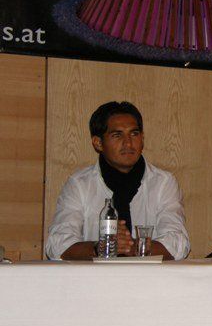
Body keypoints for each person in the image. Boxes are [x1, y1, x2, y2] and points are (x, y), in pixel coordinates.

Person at [45, 101, 190, 260]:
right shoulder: (80, 184)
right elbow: (57, 245)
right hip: (94, 276)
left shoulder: (163, 183)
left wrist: (133, 247)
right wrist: (101, 247)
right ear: (98, 143)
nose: (128, 143)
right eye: (117, 135)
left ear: (142, 139)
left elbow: (178, 243)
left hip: (148, 275)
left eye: (134, 134)